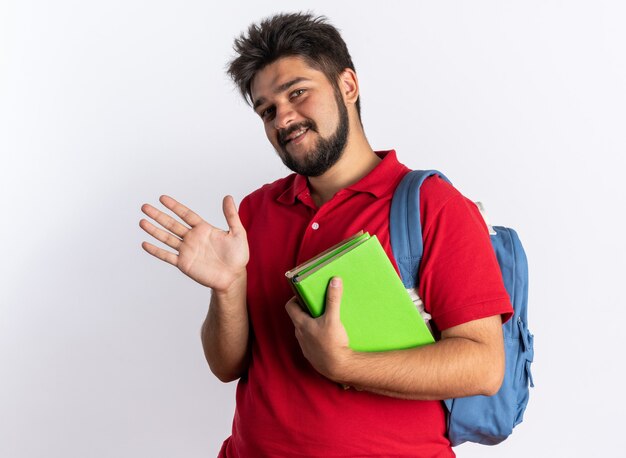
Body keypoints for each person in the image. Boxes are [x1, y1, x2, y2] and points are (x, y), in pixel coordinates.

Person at [139, 12, 513, 457]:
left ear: (348, 86)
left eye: (297, 93)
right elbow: (226, 366)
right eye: (267, 110)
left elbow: (484, 367)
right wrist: (228, 287)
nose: (283, 119)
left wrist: (345, 364)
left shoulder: (433, 206)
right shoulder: (255, 211)